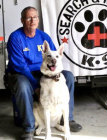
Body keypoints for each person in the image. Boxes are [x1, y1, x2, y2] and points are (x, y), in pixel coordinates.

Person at [6, 6, 82, 140]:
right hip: (20, 74)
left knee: (68, 76)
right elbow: (21, 66)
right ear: (22, 20)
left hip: (43, 72)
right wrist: (37, 85)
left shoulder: (43, 36)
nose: (32, 20)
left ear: (38, 19)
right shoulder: (15, 37)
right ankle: (28, 127)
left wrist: (55, 74)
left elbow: (54, 58)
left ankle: (66, 120)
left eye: (35, 17)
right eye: (28, 17)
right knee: (23, 86)